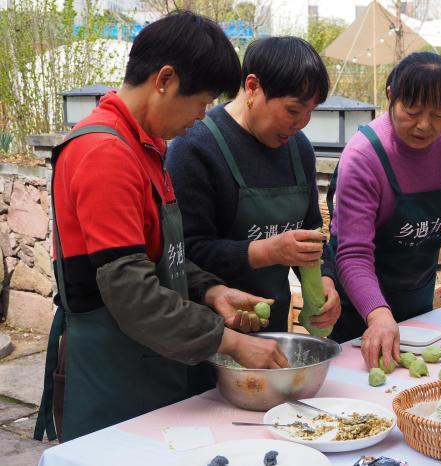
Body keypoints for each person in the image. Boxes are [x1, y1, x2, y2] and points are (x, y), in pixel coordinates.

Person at [34, 12, 288, 443]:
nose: (202, 115)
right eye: (201, 100)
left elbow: (157, 255)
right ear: (165, 79)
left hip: (150, 362)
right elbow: (132, 292)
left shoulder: (145, 146)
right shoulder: (105, 153)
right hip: (114, 376)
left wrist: (210, 290)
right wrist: (232, 343)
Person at [166, 37, 341, 335]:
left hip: (272, 328)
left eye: (311, 111)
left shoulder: (299, 149)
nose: (302, 123)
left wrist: (325, 280)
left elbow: (312, 232)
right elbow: (184, 251)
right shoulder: (194, 147)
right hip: (205, 333)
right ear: (252, 86)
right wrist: (267, 251)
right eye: (293, 110)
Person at [328, 52, 441, 369]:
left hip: (418, 300)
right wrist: (378, 314)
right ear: (391, 95)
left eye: (439, 115)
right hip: (358, 309)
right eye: (411, 111)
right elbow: (353, 253)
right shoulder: (364, 156)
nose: (425, 125)